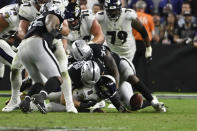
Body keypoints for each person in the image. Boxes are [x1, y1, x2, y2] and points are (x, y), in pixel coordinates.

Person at [70, 40, 167, 112]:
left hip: (118, 70)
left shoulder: (97, 49)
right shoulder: (73, 64)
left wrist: (114, 89)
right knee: (133, 105)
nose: (88, 59)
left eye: (89, 56)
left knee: (129, 75)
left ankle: (152, 100)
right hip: (102, 79)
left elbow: (114, 68)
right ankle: (147, 102)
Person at [17, 2, 77, 114]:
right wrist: (57, 34)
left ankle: (26, 101)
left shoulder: (36, 20)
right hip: (37, 44)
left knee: (39, 82)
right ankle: (41, 97)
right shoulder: (52, 14)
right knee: (58, 78)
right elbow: (50, 25)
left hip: (23, 48)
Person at [0, 3, 24, 112]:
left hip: (4, 41)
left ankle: (18, 96)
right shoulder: (9, 15)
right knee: (17, 64)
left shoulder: (34, 13)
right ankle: (15, 99)